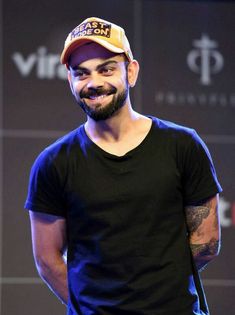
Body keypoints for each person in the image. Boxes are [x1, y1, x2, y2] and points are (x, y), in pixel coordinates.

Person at [25, 17, 222, 315]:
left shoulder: (183, 145)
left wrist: (157, 290)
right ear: (70, 80)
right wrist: (94, 307)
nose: (94, 83)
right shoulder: (52, 163)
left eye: (106, 69)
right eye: (82, 73)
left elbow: (207, 241)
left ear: (131, 71)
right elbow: (47, 260)